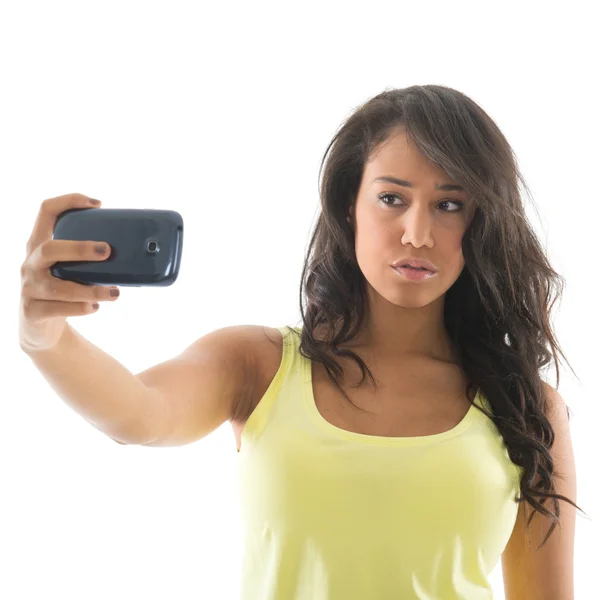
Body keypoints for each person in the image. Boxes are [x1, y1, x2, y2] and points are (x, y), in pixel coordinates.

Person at [19, 85, 584, 599]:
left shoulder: (526, 410)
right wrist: (45, 337)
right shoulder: (257, 366)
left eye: (449, 205)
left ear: (481, 223)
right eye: (392, 199)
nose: (417, 233)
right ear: (349, 205)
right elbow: (138, 414)